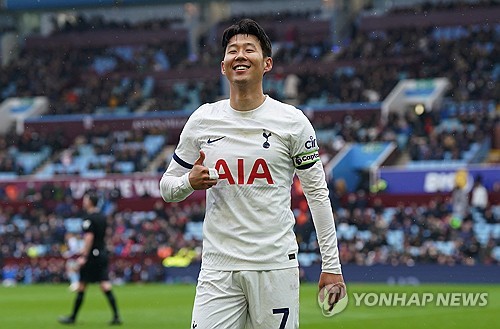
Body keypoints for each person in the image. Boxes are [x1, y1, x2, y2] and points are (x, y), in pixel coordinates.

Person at [159, 18, 344, 328]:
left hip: (273, 266)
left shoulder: (292, 123)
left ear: (267, 63)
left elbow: (317, 194)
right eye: (232, 50)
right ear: (223, 66)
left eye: (249, 49)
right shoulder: (203, 120)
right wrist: (188, 183)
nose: (240, 55)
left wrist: (332, 265)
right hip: (218, 268)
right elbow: (167, 187)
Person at [58, 191, 122, 325]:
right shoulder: (103, 216)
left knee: (82, 285)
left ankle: (72, 318)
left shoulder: (89, 218)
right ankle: (116, 316)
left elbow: (89, 237)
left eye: (85, 200)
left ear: (90, 202)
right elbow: (104, 235)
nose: (83, 202)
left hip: (92, 255)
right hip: (102, 252)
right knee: (104, 284)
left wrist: (84, 255)